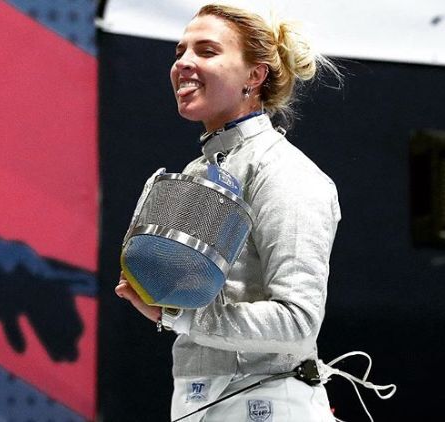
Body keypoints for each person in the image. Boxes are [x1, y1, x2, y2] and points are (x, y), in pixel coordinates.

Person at [115, 4, 342, 421]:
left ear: (254, 76)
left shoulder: (285, 172)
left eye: (206, 51)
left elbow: (298, 323)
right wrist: (164, 303)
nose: (183, 63)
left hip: (268, 403)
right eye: (180, 52)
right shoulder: (199, 171)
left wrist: (178, 316)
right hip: (200, 400)